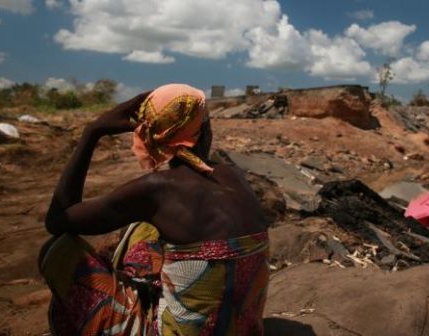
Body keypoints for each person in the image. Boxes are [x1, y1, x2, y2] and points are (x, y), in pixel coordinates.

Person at [39, 84, 270, 335]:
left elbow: (57, 220)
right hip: (243, 330)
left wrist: (92, 132)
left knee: (57, 250)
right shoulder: (232, 174)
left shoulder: (155, 190)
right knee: (145, 228)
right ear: (205, 130)